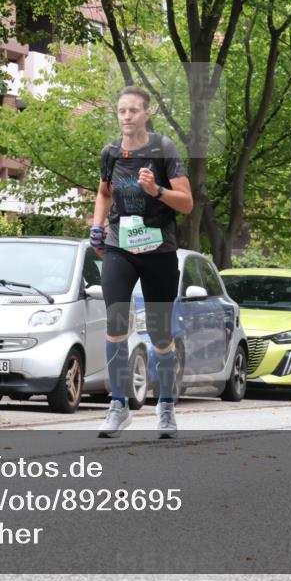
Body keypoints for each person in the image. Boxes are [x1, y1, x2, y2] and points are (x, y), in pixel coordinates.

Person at [90, 86, 193, 438]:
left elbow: (187, 203)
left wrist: (157, 192)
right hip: (120, 247)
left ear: (147, 113)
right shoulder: (111, 153)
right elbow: (104, 193)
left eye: (134, 110)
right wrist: (96, 225)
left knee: (161, 333)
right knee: (116, 323)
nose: (127, 116)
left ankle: (165, 406)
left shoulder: (163, 150)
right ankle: (118, 405)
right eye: (121, 110)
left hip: (159, 250)